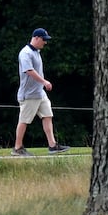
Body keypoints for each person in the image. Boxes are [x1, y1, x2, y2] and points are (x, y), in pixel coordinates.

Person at [13, 28, 70, 156]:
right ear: (37, 38)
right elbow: (29, 70)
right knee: (24, 120)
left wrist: (42, 85)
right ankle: (17, 148)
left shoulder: (37, 52)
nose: (45, 42)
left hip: (39, 93)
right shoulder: (25, 53)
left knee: (47, 115)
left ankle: (52, 145)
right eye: (44, 40)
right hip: (29, 95)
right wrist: (44, 82)